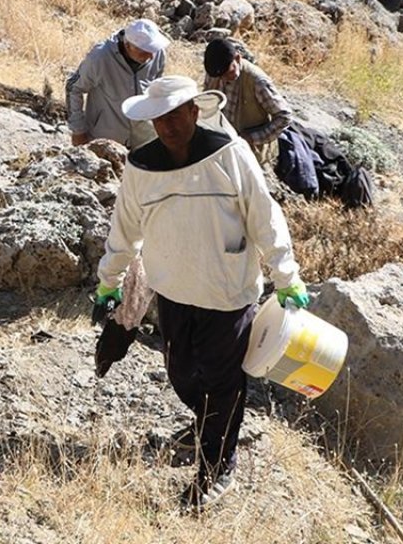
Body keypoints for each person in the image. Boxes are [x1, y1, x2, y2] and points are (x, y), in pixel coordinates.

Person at [92, 75, 310, 509]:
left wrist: (287, 276)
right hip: (171, 289)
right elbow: (125, 230)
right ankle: (208, 424)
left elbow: (264, 217)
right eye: (160, 118)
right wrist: (109, 280)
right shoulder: (141, 168)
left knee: (223, 382)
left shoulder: (231, 155)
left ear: (195, 110)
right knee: (181, 373)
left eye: (176, 114)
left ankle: (216, 468)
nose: (168, 125)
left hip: (227, 292)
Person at [66, 18, 169, 149]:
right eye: (145, 51)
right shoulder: (100, 57)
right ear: (128, 45)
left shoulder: (158, 53)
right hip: (105, 142)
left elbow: (155, 91)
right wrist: (78, 130)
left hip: (144, 139)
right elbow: (73, 88)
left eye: (153, 49)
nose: (151, 56)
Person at [202, 37, 294, 165]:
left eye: (229, 73)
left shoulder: (257, 82)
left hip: (251, 154)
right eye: (220, 76)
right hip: (222, 147)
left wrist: (251, 138)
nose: (224, 79)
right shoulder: (216, 72)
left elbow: (284, 117)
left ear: (238, 58)